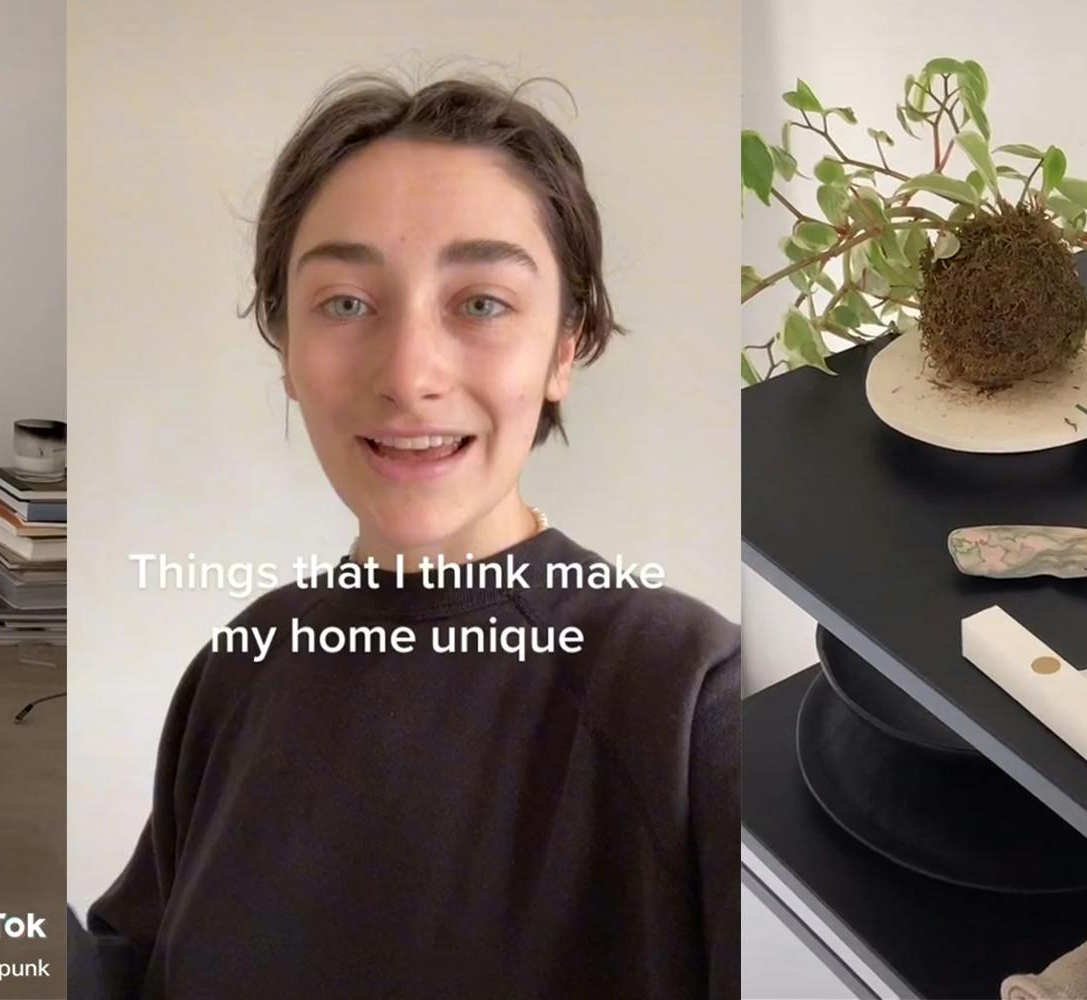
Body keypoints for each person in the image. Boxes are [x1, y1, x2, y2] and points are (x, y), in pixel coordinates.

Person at [74, 73, 740, 1000]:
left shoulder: (688, 700)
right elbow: (127, 964)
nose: (409, 375)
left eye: (481, 303)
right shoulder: (243, 666)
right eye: (346, 303)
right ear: (286, 350)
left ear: (566, 346)